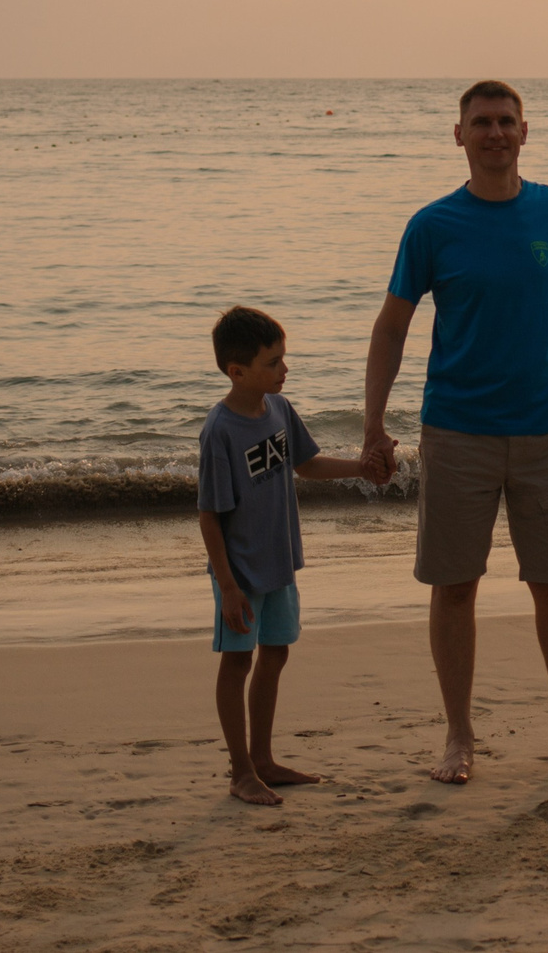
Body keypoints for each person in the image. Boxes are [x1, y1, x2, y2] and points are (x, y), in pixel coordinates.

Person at [358, 80, 548, 784]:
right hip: (457, 430)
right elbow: (392, 325)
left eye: (505, 121)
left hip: (546, 428)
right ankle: (459, 737)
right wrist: (374, 424)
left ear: (525, 131)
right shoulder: (431, 226)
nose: (494, 133)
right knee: (454, 585)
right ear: (458, 135)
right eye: (481, 123)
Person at [198, 305, 370, 807]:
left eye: (283, 359)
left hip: (279, 564)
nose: (284, 369)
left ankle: (264, 758)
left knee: (276, 653)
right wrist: (228, 586)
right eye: (273, 362)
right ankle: (241, 771)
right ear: (238, 371)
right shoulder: (220, 432)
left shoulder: (279, 410)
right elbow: (209, 516)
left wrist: (361, 468)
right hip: (241, 572)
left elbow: (307, 463)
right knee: (237, 663)